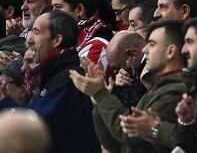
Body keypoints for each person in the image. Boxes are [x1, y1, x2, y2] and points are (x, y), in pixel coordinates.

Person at [73, 19, 187, 152]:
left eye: (151, 44)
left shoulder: (176, 90)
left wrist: (101, 95)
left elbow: (133, 137)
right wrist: (97, 101)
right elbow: (117, 144)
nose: (144, 49)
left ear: (170, 51)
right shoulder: (159, 87)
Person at [25, 11, 97, 153]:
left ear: (56, 40)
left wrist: (4, 102)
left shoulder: (70, 79)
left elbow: (34, 129)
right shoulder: (50, 74)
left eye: (37, 32)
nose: (29, 40)